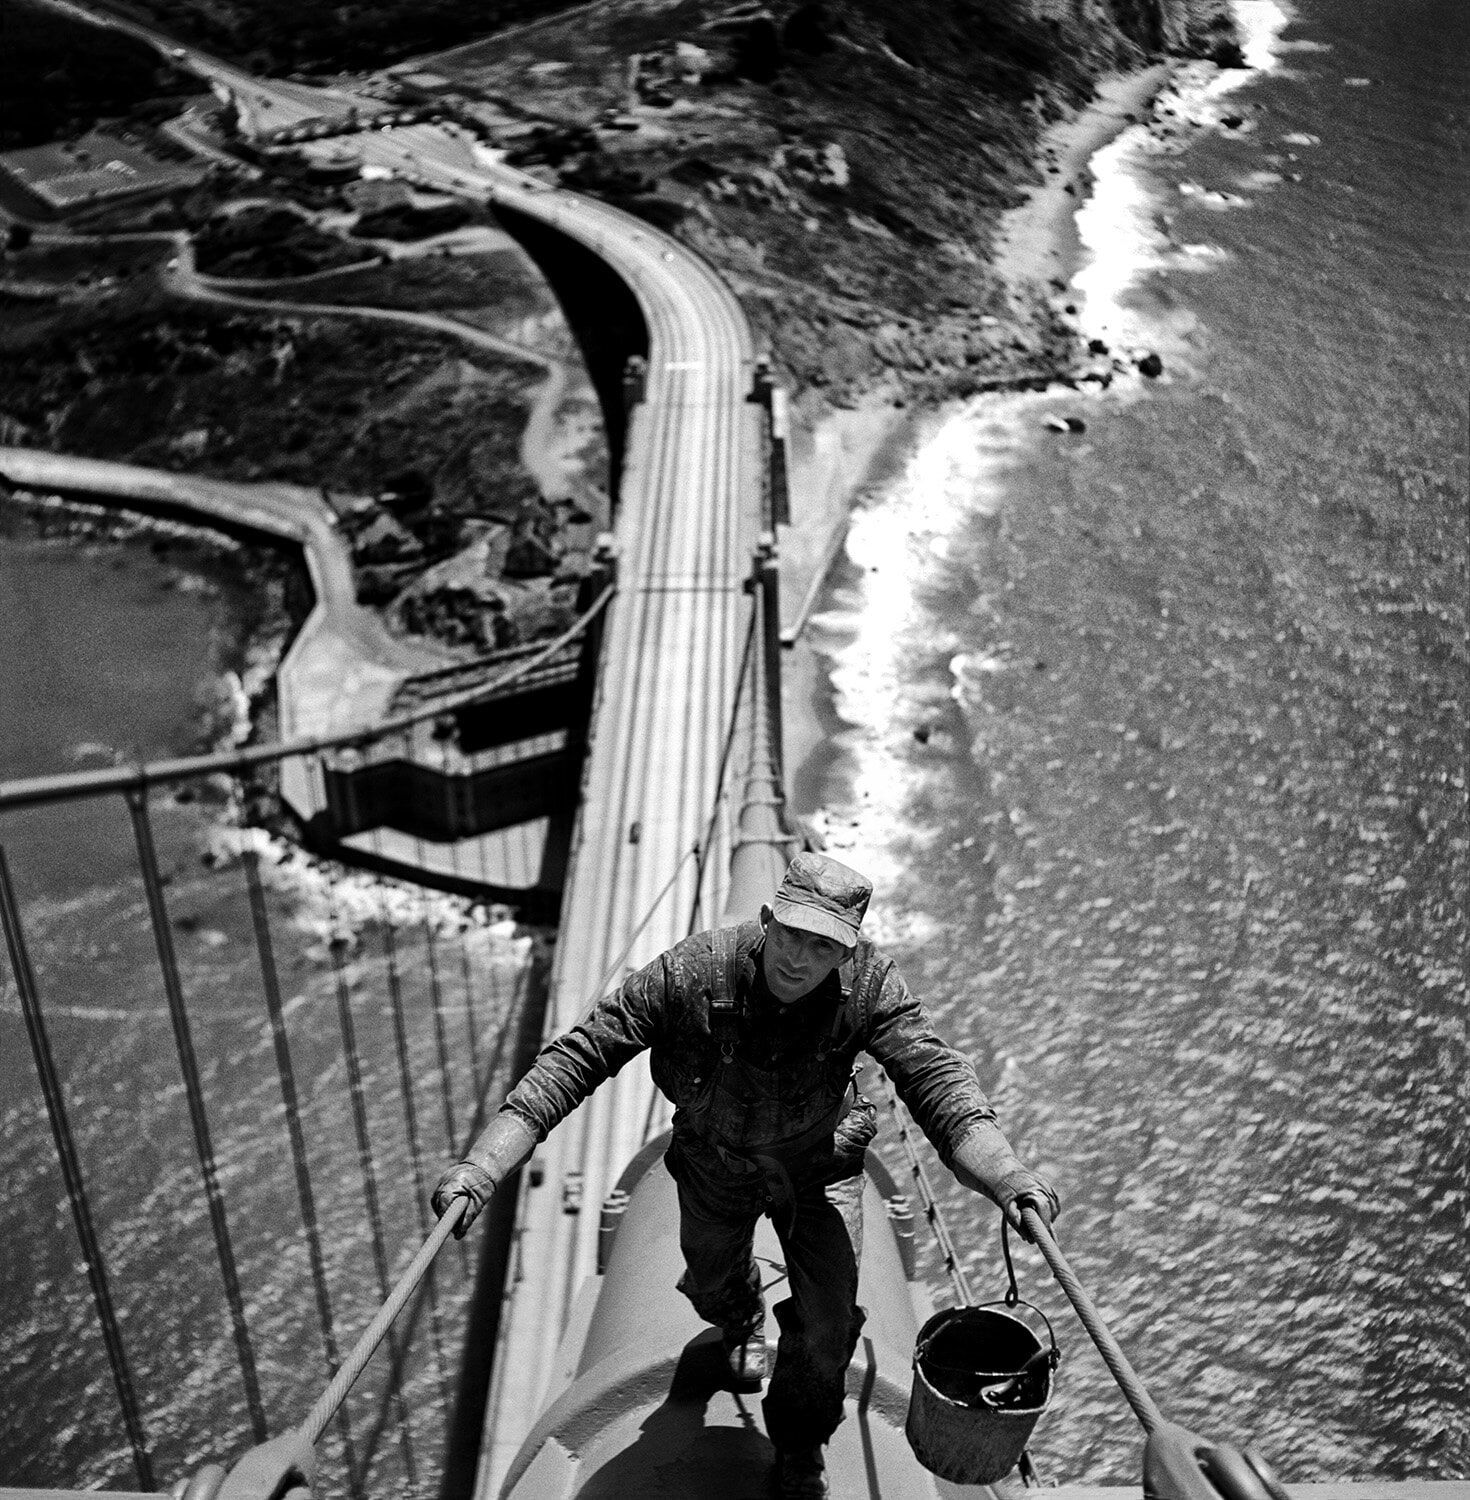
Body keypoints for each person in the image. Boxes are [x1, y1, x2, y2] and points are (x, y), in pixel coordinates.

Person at [432, 851, 1059, 1500]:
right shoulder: (691, 972)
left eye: (822, 947)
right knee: (711, 1286)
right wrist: (485, 1166)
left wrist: (1007, 1176)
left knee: (827, 1328)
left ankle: (799, 1444)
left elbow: (938, 1082)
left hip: (820, 1170)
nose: (799, 960)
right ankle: (739, 1314)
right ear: (766, 921)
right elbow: (580, 1056)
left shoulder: (872, 986)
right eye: (791, 935)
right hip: (716, 1164)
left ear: (846, 953)